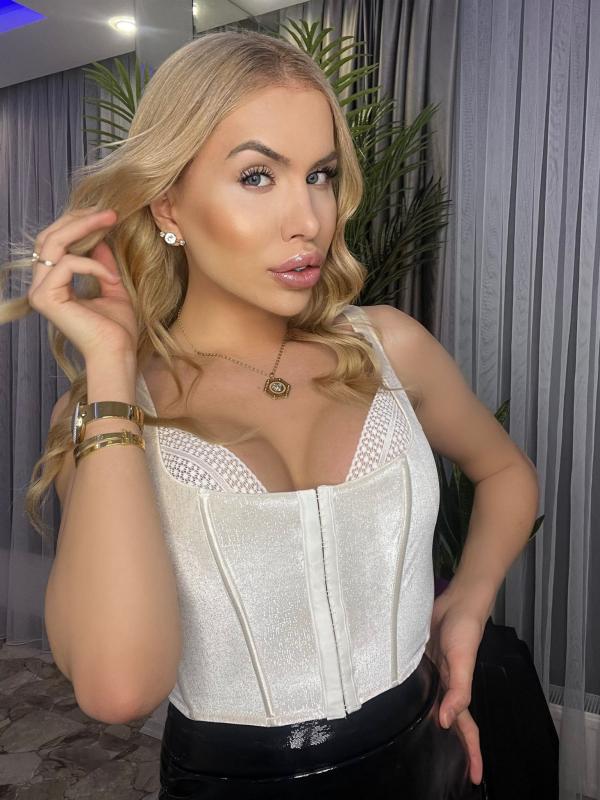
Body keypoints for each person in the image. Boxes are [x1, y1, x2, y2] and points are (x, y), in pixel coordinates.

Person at [4, 28, 540, 800]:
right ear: (168, 203)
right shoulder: (111, 413)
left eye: (320, 175)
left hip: (435, 761)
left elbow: (506, 472)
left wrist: (469, 604)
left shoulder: (388, 347)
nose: (309, 219)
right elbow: (119, 690)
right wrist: (113, 368)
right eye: (258, 175)